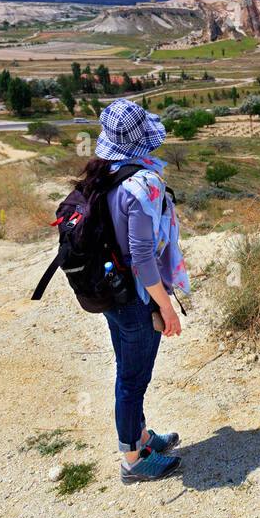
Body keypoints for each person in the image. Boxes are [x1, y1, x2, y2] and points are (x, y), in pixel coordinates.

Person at [74, 99, 189, 484]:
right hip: (135, 297)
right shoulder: (143, 185)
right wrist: (166, 307)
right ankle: (132, 461)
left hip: (110, 291)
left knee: (127, 372)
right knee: (132, 380)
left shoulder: (103, 175)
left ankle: (141, 437)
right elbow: (142, 256)